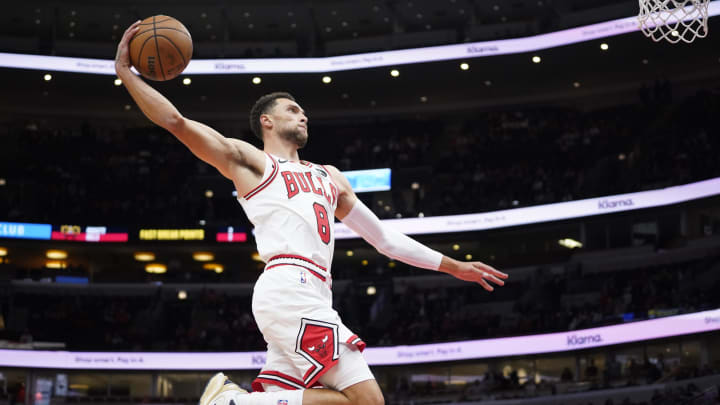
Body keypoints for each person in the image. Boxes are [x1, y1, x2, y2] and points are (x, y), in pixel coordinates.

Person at [115, 21, 508, 405]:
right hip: (288, 286)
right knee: (366, 401)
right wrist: (125, 74)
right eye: (292, 109)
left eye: (303, 111)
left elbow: (384, 239)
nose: (303, 115)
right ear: (266, 121)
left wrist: (453, 266)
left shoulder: (329, 177)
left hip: (315, 291)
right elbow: (176, 122)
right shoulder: (254, 164)